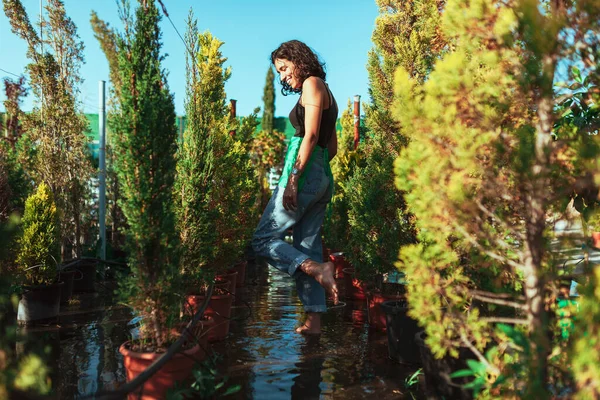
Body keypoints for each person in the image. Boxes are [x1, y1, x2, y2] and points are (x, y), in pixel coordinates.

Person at [252, 40, 339, 335]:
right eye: (278, 72)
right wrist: (317, 175)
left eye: (285, 68)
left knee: (263, 239)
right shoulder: (327, 92)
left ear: (299, 61)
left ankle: (317, 269)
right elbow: (332, 146)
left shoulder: (312, 84)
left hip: (305, 174)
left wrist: (294, 178)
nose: (282, 76)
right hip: (322, 173)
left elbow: (311, 135)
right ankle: (313, 322)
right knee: (307, 247)